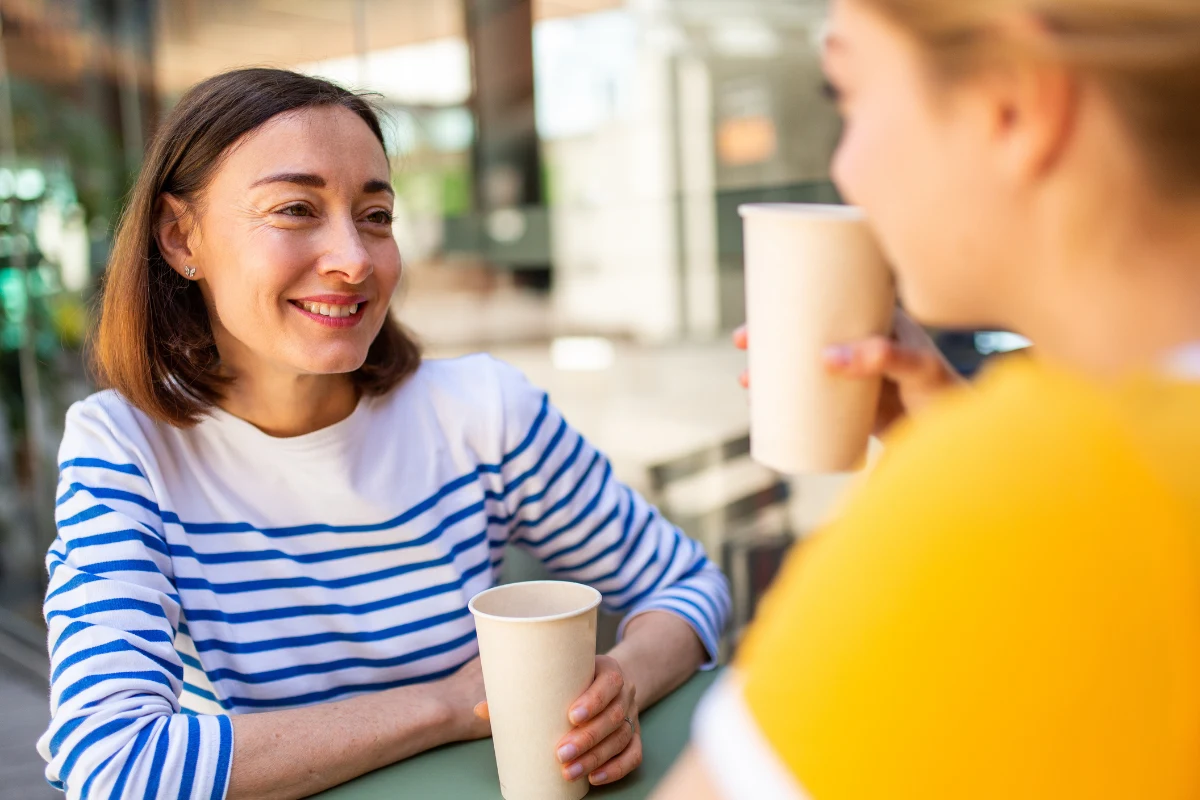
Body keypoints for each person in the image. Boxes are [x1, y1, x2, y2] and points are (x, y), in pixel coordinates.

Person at [39, 68, 730, 800]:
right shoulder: (125, 448)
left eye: (375, 216)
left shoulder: (481, 413)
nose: (354, 260)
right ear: (182, 238)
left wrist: (622, 683)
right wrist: (446, 707)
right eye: (296, 209)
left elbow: (684, 582)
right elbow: (114, 760)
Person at [656, 0, 1200, 797]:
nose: (846, 166)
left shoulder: (1020, 493)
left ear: (1012, 103)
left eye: (847, 91)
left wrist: (955, 483)